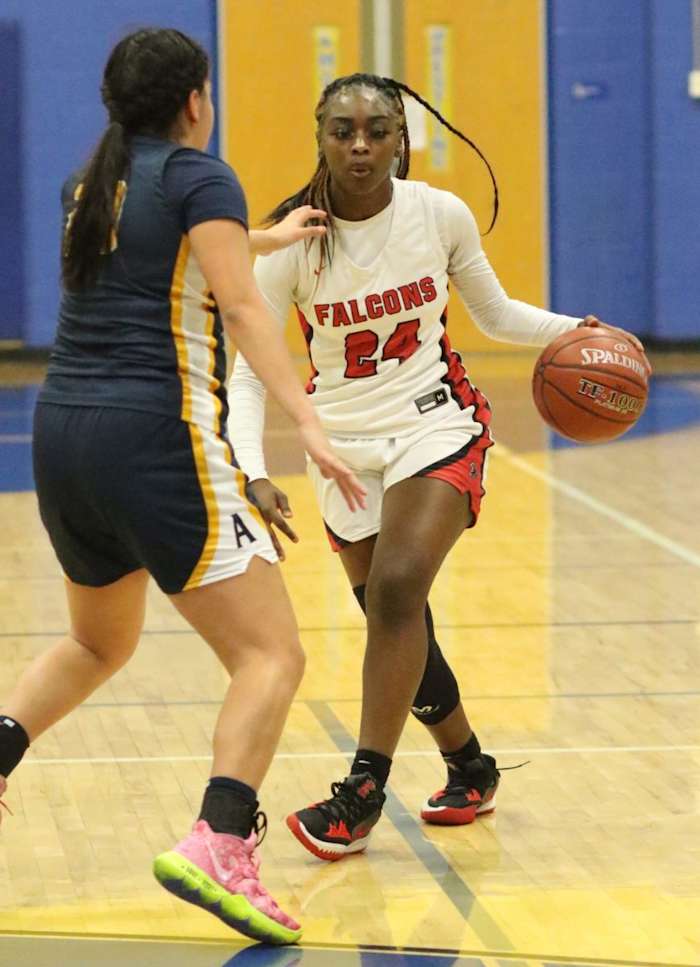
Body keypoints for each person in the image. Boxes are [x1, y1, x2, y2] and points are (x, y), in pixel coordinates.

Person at [0, 29, 366, 943]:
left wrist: (262, 235)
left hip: (63, 436)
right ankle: (222, 838)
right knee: (271, 654)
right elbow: (241, 306)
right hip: (153, 437)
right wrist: (306, 423)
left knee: (96, 644)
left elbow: (174, 260)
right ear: (195, 101)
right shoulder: (202, 175)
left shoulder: (90, 183)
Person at [228, 72, 647, 861]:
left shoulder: (438, 215)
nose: (360, 144)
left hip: (437, 423)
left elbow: (493, 312)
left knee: (395, 590)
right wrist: (253, 469)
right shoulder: (292, 240)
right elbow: (251, 369)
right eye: (343, 129)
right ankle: (469, 762)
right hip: (342, 447)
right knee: (402, 625)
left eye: (377, 129)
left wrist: (580, 330)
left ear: (402, 140)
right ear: (319, 137)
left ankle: (360, 793)